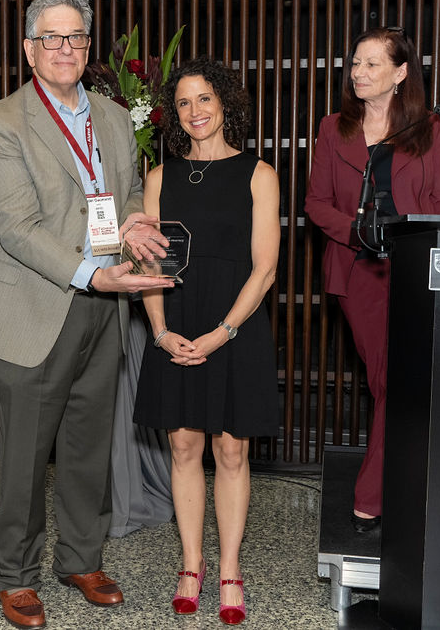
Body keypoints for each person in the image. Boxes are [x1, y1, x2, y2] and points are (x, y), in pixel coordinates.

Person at [0, 0, 174, 630]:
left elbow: (129, 189)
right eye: (51, 38)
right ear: (29, 50)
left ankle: (81, 558)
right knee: (27, 458)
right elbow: (16, 226)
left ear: (88, 49)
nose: (65, 49)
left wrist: (138, 218)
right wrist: (95, 273)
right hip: (34, 310)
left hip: (103, 308)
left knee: (90, 448)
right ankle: (14, 575)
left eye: (76, 38)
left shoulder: (113, 118)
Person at [133, 57, 281, 626]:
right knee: (185, 447)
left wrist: (220, 334)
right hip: (176, 320)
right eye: (186, 102)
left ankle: (231, 570)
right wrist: (162, 331)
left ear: (225, 103)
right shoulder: (159, 177)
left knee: (231, 450)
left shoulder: (258, 173)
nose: (196, 112)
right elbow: (147, 264)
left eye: (206, 99)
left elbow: (265, 269)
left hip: (235, 324)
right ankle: (191, 564)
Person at [304, 27, 440, 533]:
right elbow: (315, 204)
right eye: (355, 63)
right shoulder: (334, 128)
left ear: (400, 73)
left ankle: (387, 487)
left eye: (372, 64)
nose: (358, 73)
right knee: (390, 377)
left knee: (402, 380)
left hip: (418, 269)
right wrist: (356, 231)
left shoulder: (427, 130)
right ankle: (380, 492)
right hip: (361, 270)